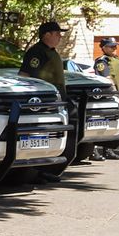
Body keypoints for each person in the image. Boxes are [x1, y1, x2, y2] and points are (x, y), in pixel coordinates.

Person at [20, 21, 70, 180]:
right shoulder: (37, 52)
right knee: (38, 135)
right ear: (46, 35)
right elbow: (25, 76)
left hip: (55, 100)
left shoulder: (51, 52)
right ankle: (33, 172)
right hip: (42, 102)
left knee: (50, 135)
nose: (60, 37)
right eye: (57, 34)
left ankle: (45, 169)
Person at [91, 38, 119, 160]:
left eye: (115, 46)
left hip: (117, 94)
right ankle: (93, 150)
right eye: (111, 46)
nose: (114, 48)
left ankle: (108, 149)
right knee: (99, 122)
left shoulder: (118, 60)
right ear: (104, 48)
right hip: (106, 96)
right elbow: (107, 78)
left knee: (112, 122)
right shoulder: (102, 61)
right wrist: (115, 93)